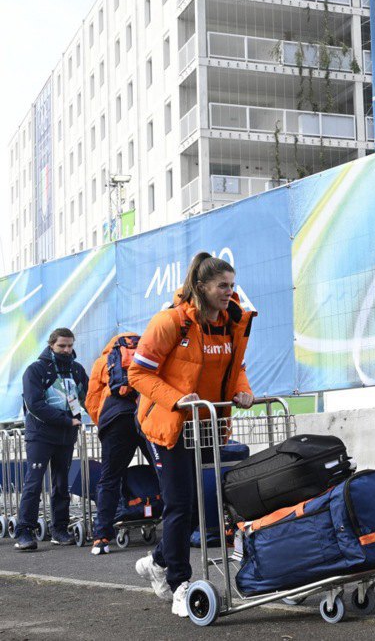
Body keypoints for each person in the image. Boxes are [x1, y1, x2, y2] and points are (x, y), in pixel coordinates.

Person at [128, 252, 255, 618]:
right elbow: (138, 374)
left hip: (206, 424)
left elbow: (236, 367)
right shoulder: (170, 322)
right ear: (201, 287)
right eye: (222, 286)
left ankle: (157, 561)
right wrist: (177, 399)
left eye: (232, 285)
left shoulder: (232, 322)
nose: (229, 292)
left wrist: (242, 390)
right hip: (167, 423)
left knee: (197, 504)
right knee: (180, 503)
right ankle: (179, 584)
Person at [13, 327, 88, 551]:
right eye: (61, 346)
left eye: (70, 346)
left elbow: (87, 397)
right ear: (51, 345)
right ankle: (24, 532)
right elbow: (34, 405)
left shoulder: (77, 369)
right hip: (41, 436)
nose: (66, 350)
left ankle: (60, 530)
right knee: (34, 483)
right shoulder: (35, 370)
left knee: (61, 484)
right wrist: (67, 420)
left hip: (66, 436)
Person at [84, 332, 153, 555]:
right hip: (146, 416)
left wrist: (103, 424)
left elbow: (92, 400)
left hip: (116, 421)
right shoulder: (148, 354)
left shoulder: (103, 362)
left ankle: (101, 537)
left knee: (110, 478)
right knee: (167, 472)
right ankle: (186, 527)